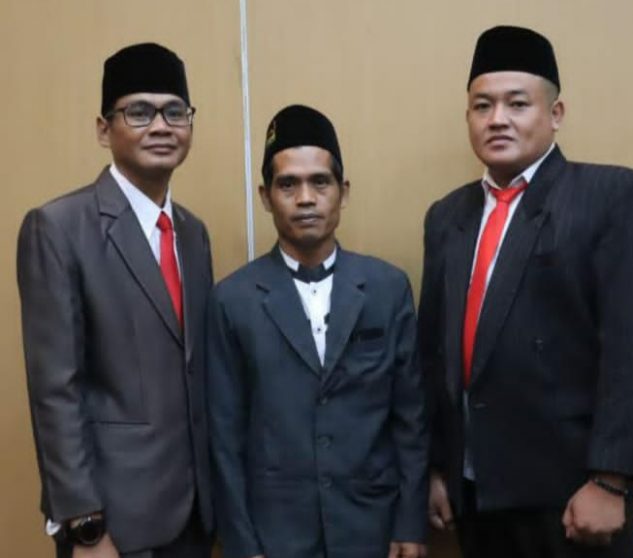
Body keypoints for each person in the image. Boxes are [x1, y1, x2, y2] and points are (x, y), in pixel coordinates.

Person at [419, 26, 633, 558]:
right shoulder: (447, 217)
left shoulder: (613, 196)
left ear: (555, 113)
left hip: (572, 496)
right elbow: (434, 354)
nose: (498, 119)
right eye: (482, 105)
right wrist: (437, 467)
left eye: (517, 103)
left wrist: (611, 481)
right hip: (475, 496)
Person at [17, 43, 213, 558]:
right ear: (104, 129)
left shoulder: (193, 233)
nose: (161, 126)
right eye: (139, 112)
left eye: (175, 112)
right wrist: (83, 526)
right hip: (112, 525)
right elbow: (55, 391)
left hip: (194, 517)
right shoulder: (58, 228)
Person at [207, 104, 428, 558]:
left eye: (320, 182)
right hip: (276, 536)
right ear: (266, 196)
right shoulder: (232, 299)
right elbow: (225, 438)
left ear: (342, 192)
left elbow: (411, 418)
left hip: (371, 529)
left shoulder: (387, 288)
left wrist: (411, 523)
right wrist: (242, 545)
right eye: (288, 184)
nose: (305, 198)